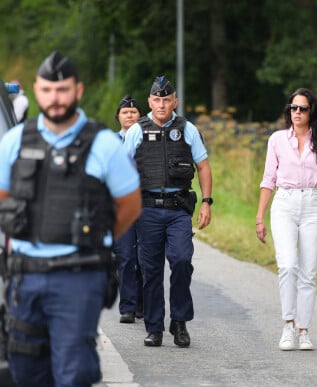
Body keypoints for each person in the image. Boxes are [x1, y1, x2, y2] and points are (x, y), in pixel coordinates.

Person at [0, 51, 142, 386]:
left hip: (79, 276)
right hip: (25, 278)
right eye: (48, 90)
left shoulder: (104, 145)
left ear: (78, 91)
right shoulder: (15, 142)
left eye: (63, 89)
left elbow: (130, 207)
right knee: (24, 369)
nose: (55, 98)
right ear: (36, 91)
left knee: (74, 370)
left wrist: (95, 240)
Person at [124, 76, 213, 348]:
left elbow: (204, 167)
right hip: (147, 210)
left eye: (166, 100)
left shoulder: (188, 129)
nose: (162, 105)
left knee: (182, 260)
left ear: (175, 101)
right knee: (150, 271)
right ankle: (154, 328)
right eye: (156, 100)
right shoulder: (136, 131)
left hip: (178, 210)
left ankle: (180, 321)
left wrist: (207, 201)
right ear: (149, 101)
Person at [255, 87, 317, 351]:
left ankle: (304, 330)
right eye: (293, 108)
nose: (297, 112)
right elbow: (268, 179)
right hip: (284, 203)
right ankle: (287, 325)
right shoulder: (278, 140)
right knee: (287, 266)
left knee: (308, 272)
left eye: (302, 108)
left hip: (315, 205)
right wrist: (260, 217)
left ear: (311, 111)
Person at [114, 95, 144, 323]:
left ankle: (142, 303)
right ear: (118, 117)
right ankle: (127, 306)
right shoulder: (111, 143)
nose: (130, 116)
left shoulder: (148, 139)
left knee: (145, 258)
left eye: (134, 113)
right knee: (125, 256)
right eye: (125, 112)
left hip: (146, 205)